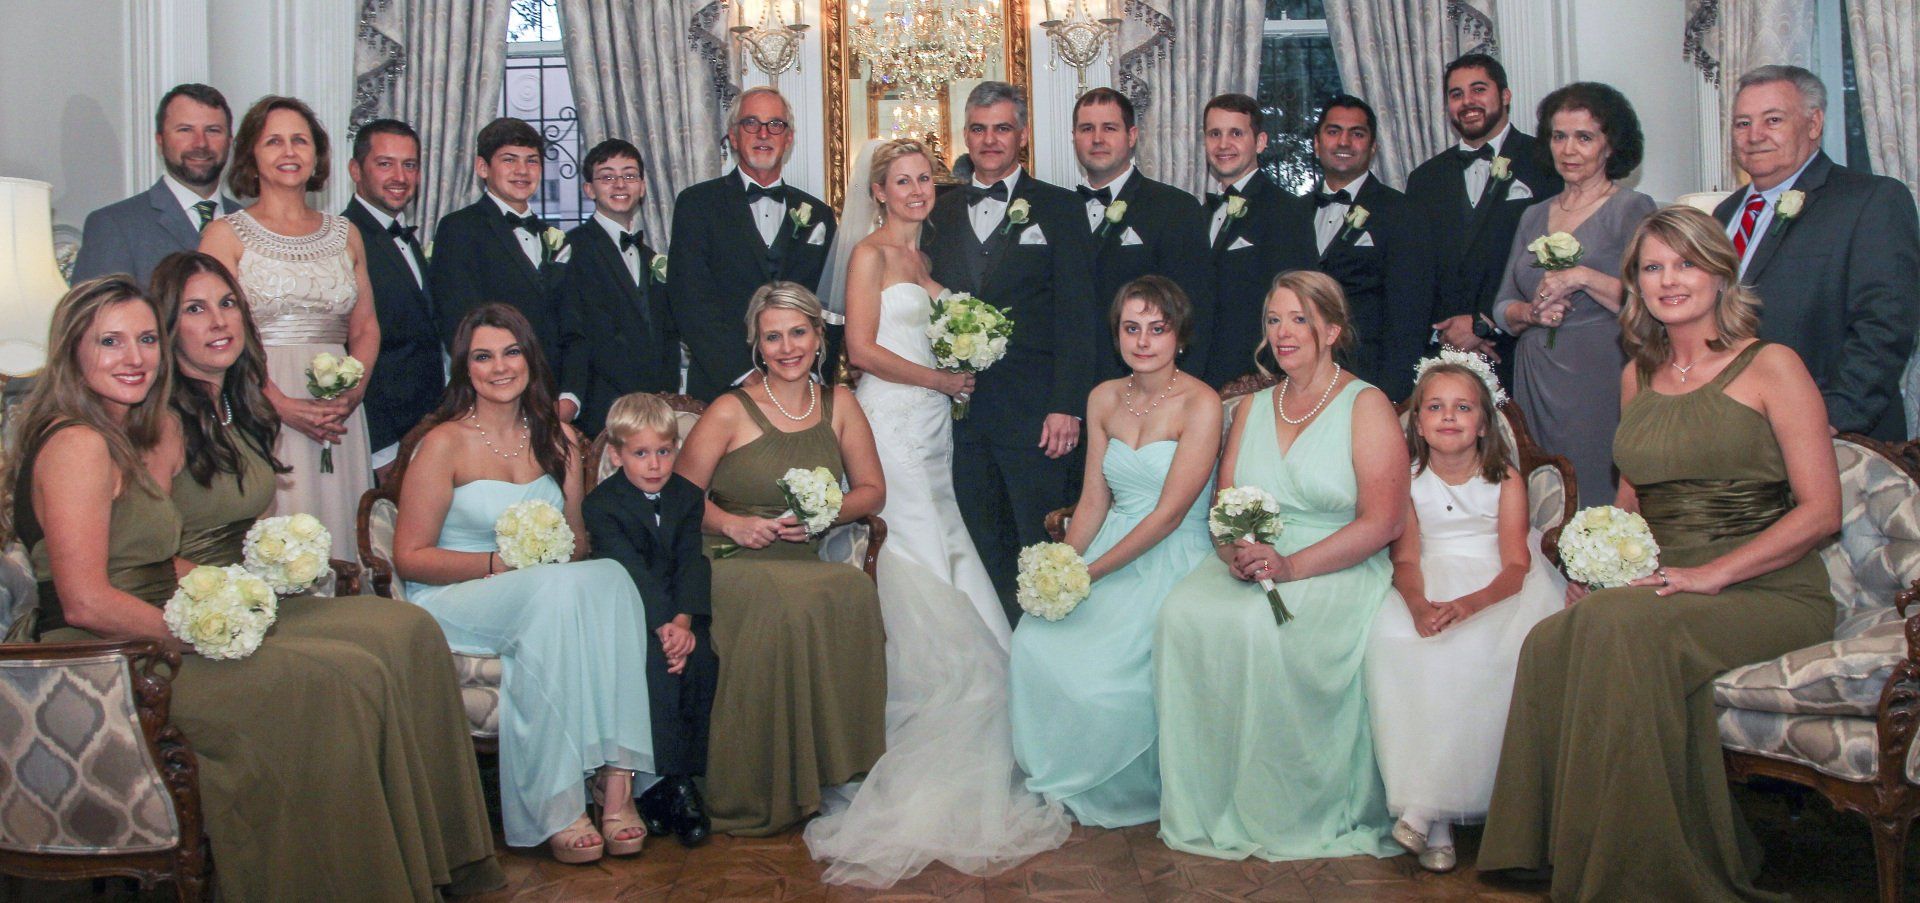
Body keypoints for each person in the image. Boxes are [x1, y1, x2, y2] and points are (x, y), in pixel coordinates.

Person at [7, 275, 502, 900]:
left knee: (371, 651)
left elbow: (155, 559)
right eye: (110, 342)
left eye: (144, 340)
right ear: (73, 351)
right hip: (103, 659)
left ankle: (430, 870)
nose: (134, 359)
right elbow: (83, 599)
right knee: (330, 683)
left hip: (153, 627)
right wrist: (200, 634)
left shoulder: (122, 433)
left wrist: (235, 599)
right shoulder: (77, 443)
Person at [1480, 206, 1840, 900]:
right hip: (1668, 579)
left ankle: (1640, 875)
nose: (1670, 279)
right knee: (1553, 637)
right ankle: (1552, 849)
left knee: (1621, 626)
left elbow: (1823, 510)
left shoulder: (1773, 364)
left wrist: (1710, 575)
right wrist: (1599, 571)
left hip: (1768, 588)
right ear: (1635, 283)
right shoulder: (1637, 376)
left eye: (1686, 263)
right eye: (1653, 267)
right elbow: (1629, 501)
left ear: (1719, 272)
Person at [807, 141, 1071, 886]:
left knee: (950, 543)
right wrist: (940, 378)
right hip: (890, 422)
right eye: (903, 182)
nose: (917, 191)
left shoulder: (929, 267)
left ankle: (997, 711)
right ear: (880, 192)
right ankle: (915, 719)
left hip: (933, 432)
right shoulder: (868, 256)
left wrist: (956, 375)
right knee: (911, 548)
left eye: (926, 179)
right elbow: (858, 348)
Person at [1155, 270, 1407, 861]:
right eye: (1274, 319)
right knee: (1180, 614)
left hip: (1335, 563)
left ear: (1332, 329)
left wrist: (1290, 567)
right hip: (1255, 561)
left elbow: (1383, 522)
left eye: (1299, 319)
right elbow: (1223, 505)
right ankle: (1209, 799)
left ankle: (1283, 804)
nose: (1283, 332)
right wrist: (1234, 552)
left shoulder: (1365, 405)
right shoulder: (1251, 407)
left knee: (1256, 627)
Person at [393, 303, 656, 864]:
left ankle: (616, 786)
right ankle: (556, 803)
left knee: (610, 577)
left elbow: (580, 540)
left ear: (530, 360)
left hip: (541, 592)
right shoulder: (443, 444)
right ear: (464, 367)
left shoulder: (558, 439)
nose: (499, 367)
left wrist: (555, 548)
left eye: (511, 352)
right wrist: (499, 564)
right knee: (554, 592)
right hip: (455, 596)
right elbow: (410, 557)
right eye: (483, 356)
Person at [673, 283, 888, 837]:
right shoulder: (729, 409)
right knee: (786, 603)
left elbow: (871, 491)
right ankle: (760, 784)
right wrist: (731, 523)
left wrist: (825, 512)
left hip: (803, 556)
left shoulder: (841, 405)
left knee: (854, 590)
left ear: (819, 336)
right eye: (773, 337)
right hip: (728, 557)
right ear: (756, 344)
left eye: (798, 333)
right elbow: (676, 501)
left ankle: (836, 768)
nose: (787, 347)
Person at [1010, 276, 1221, 827]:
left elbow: (1170, 513)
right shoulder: (1103, 396)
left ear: (1180, 336)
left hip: (1172, 552)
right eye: (1132, 328)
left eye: (1158, 329)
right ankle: (1059, 772)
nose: (1144, 341)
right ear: (1117, 334)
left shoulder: (1202, 402)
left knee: (1105, 679)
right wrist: (1063, 564)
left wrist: (1091, 573)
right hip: (1106, 545)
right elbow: (1093, 500)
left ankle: (1119, 783)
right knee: (1034, 641)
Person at [1363, 356, 1564, 874]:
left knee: (1474, 653)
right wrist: (1416, 606)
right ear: (1418, 422)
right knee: (1401, 646)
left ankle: (1425, 810)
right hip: (1427, 580)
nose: (1448, 417)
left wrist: (1471, 605)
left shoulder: (1504, 479)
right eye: (1435, 407)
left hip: (1495, 587)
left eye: (1462, 407)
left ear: (1482, 421)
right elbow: (1405, 559)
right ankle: (1439, 824)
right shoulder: (1406, 480)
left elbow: (1518, 565)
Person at [923, 80, 1102, 621]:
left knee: (1038, 546)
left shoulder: (1061, 208)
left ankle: (1045, 657)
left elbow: (1080, 315)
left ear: (1022, 135)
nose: (990, 140)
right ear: (966, 136)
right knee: (979, 547)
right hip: (958, 417)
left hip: (1036, 416)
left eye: (1002, 128)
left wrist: (1068, 404)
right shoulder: (939, 210)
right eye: (978, 129)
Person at [198, 95, 377, 561]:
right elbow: (215, 335)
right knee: (283, 535)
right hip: (259, 401)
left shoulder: (346, 233)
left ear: (317, 154)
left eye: (300, 140)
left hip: (338, 411)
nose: (289, 151)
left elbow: (366, 327)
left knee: (343, 525)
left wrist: (351, 393)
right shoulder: (224, 235)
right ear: (251, 155)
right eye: (273, 141)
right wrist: (278, 402)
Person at [1711, 64, 1919, 441]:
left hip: (1835, 440)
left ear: (1813, 123)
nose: (1754, 135)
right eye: (1742, 123)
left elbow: (1885, 325)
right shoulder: (1724, 215)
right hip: (1730, 433)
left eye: (1772, 119)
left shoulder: (1870, 200)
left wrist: (1828, 421)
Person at [1491, 83, 1657, 506]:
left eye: (1584, 137)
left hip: (1600, 374)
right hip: (1534, 375)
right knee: (1541, 495)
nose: (1569, 149)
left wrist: (1582, 277)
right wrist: (1530, 313)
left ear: (1610, 145)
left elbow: (1650, 301)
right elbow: (1502, 305)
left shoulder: (1632, 208)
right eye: (1559, 136)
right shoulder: (1533, 215)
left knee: (1597, 490)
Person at [582, 392, 717, 848]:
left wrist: (683, 624)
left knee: (702, 661)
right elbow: (631, 571)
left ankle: (678, 778)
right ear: (618, 456)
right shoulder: (601, 504)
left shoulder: (686, 496)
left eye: (664, 451)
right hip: (628, 610)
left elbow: (691, 562)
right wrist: (664, 628)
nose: (655, 465)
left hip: (675, 609)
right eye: (641, 454)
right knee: (656, 667)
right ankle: (664, 785)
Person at [669, 87, 838, 401]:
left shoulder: (819, 215)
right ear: (733, 137)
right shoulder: (696, 205)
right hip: (722, 387)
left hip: (801, 388)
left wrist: (814, 373)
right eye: (751, 124)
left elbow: (828, 304)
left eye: (775, 125)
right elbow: (689, 299)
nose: (763, 133)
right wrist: (745, 374)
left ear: (788, 139)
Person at [1404, 54, 1563, 389]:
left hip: (1522, 345)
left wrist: (1484, 323)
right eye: (1456, 94)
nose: (1467, 102)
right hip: (1447, 353)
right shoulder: (1424, 179)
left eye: (1479, 89)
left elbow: (1553, 256)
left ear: (1505, 95)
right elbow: (1418, 269)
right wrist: (1446, 330)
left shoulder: (1546, 164)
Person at [427, 117, 575, 409]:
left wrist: (569, 396)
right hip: (490, 394)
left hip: (551, 396)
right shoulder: (459, 228)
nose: (522, 170)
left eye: (531, 161)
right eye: (509, 160)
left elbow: (572, 325)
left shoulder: (553, 236)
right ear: (483, 167)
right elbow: (458, 322)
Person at [1069, 88, 1214, 378]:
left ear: (1132, 136)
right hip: (1072, 395)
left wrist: (1181, 392)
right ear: (1074, 138)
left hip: (1150, 388)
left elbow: (1194, 312)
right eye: (1087, 129)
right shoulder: (1059, 211)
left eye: (1109, 128)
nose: (1097, 139)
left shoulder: (1175, 208)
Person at [1299, 95, 1429, 401]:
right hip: (1299, 378)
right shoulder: (1292, 214)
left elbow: (1408, 314)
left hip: (1369, 376)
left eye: (1356, 134)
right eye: (1333, 132)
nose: (1344, 141)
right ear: (1317, 144)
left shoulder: (1402, 212)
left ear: (1372, 148)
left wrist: (1391, 395)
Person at [1196, 93, 1318, 388]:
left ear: (1260, 142)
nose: (1223, 144)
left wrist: (1271, 378)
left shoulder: (1286, 212)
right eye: (1215, 134)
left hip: (1259, 378)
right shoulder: (1197, 215)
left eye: (1236, 133)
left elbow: (1297, 305)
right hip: (1201, 377)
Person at [342, 118, 442, 479]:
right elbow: (349, 349)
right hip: (382, 443)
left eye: (409, 165)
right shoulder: (344, 238)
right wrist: (380, 450)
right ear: (356, 170)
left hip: (424, 428)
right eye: (385, 164)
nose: (399, 176)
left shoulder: (405, 237)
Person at [559, 140, 678, 436]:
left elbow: (665, 335)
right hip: (602, 406)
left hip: (656, 407)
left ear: (642, 186)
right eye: (607, 177)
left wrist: (667, 396)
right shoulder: (574, 247)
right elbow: (579, 332)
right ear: (589, 189)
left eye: (629, 175)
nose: (619, 184)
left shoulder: (651, 257)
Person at [72, 84, 241, 284]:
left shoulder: (251, 223)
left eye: (213, 131)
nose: (200, 143)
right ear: (160, 140)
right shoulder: (115, 226)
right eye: (185, 130)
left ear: (230, 141)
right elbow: (95, 313)